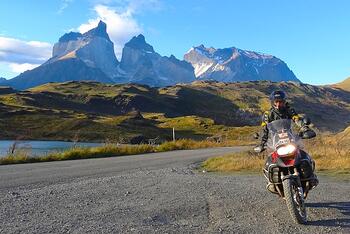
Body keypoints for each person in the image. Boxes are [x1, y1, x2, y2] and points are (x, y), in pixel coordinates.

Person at [255, 90, 318, 190]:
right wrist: (262, 144)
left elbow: (297, 120)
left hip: (290, 139)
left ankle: (310, 177)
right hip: (275, 142)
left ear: (284, 101)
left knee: (303, 155)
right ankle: (272, 182)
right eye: (276, 101)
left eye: (281, 101)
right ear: (273, 102)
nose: (279, 104)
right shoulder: (267, 114)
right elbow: (265, 129)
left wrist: (304, 128)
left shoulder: (289, 110)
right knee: (270, 160)